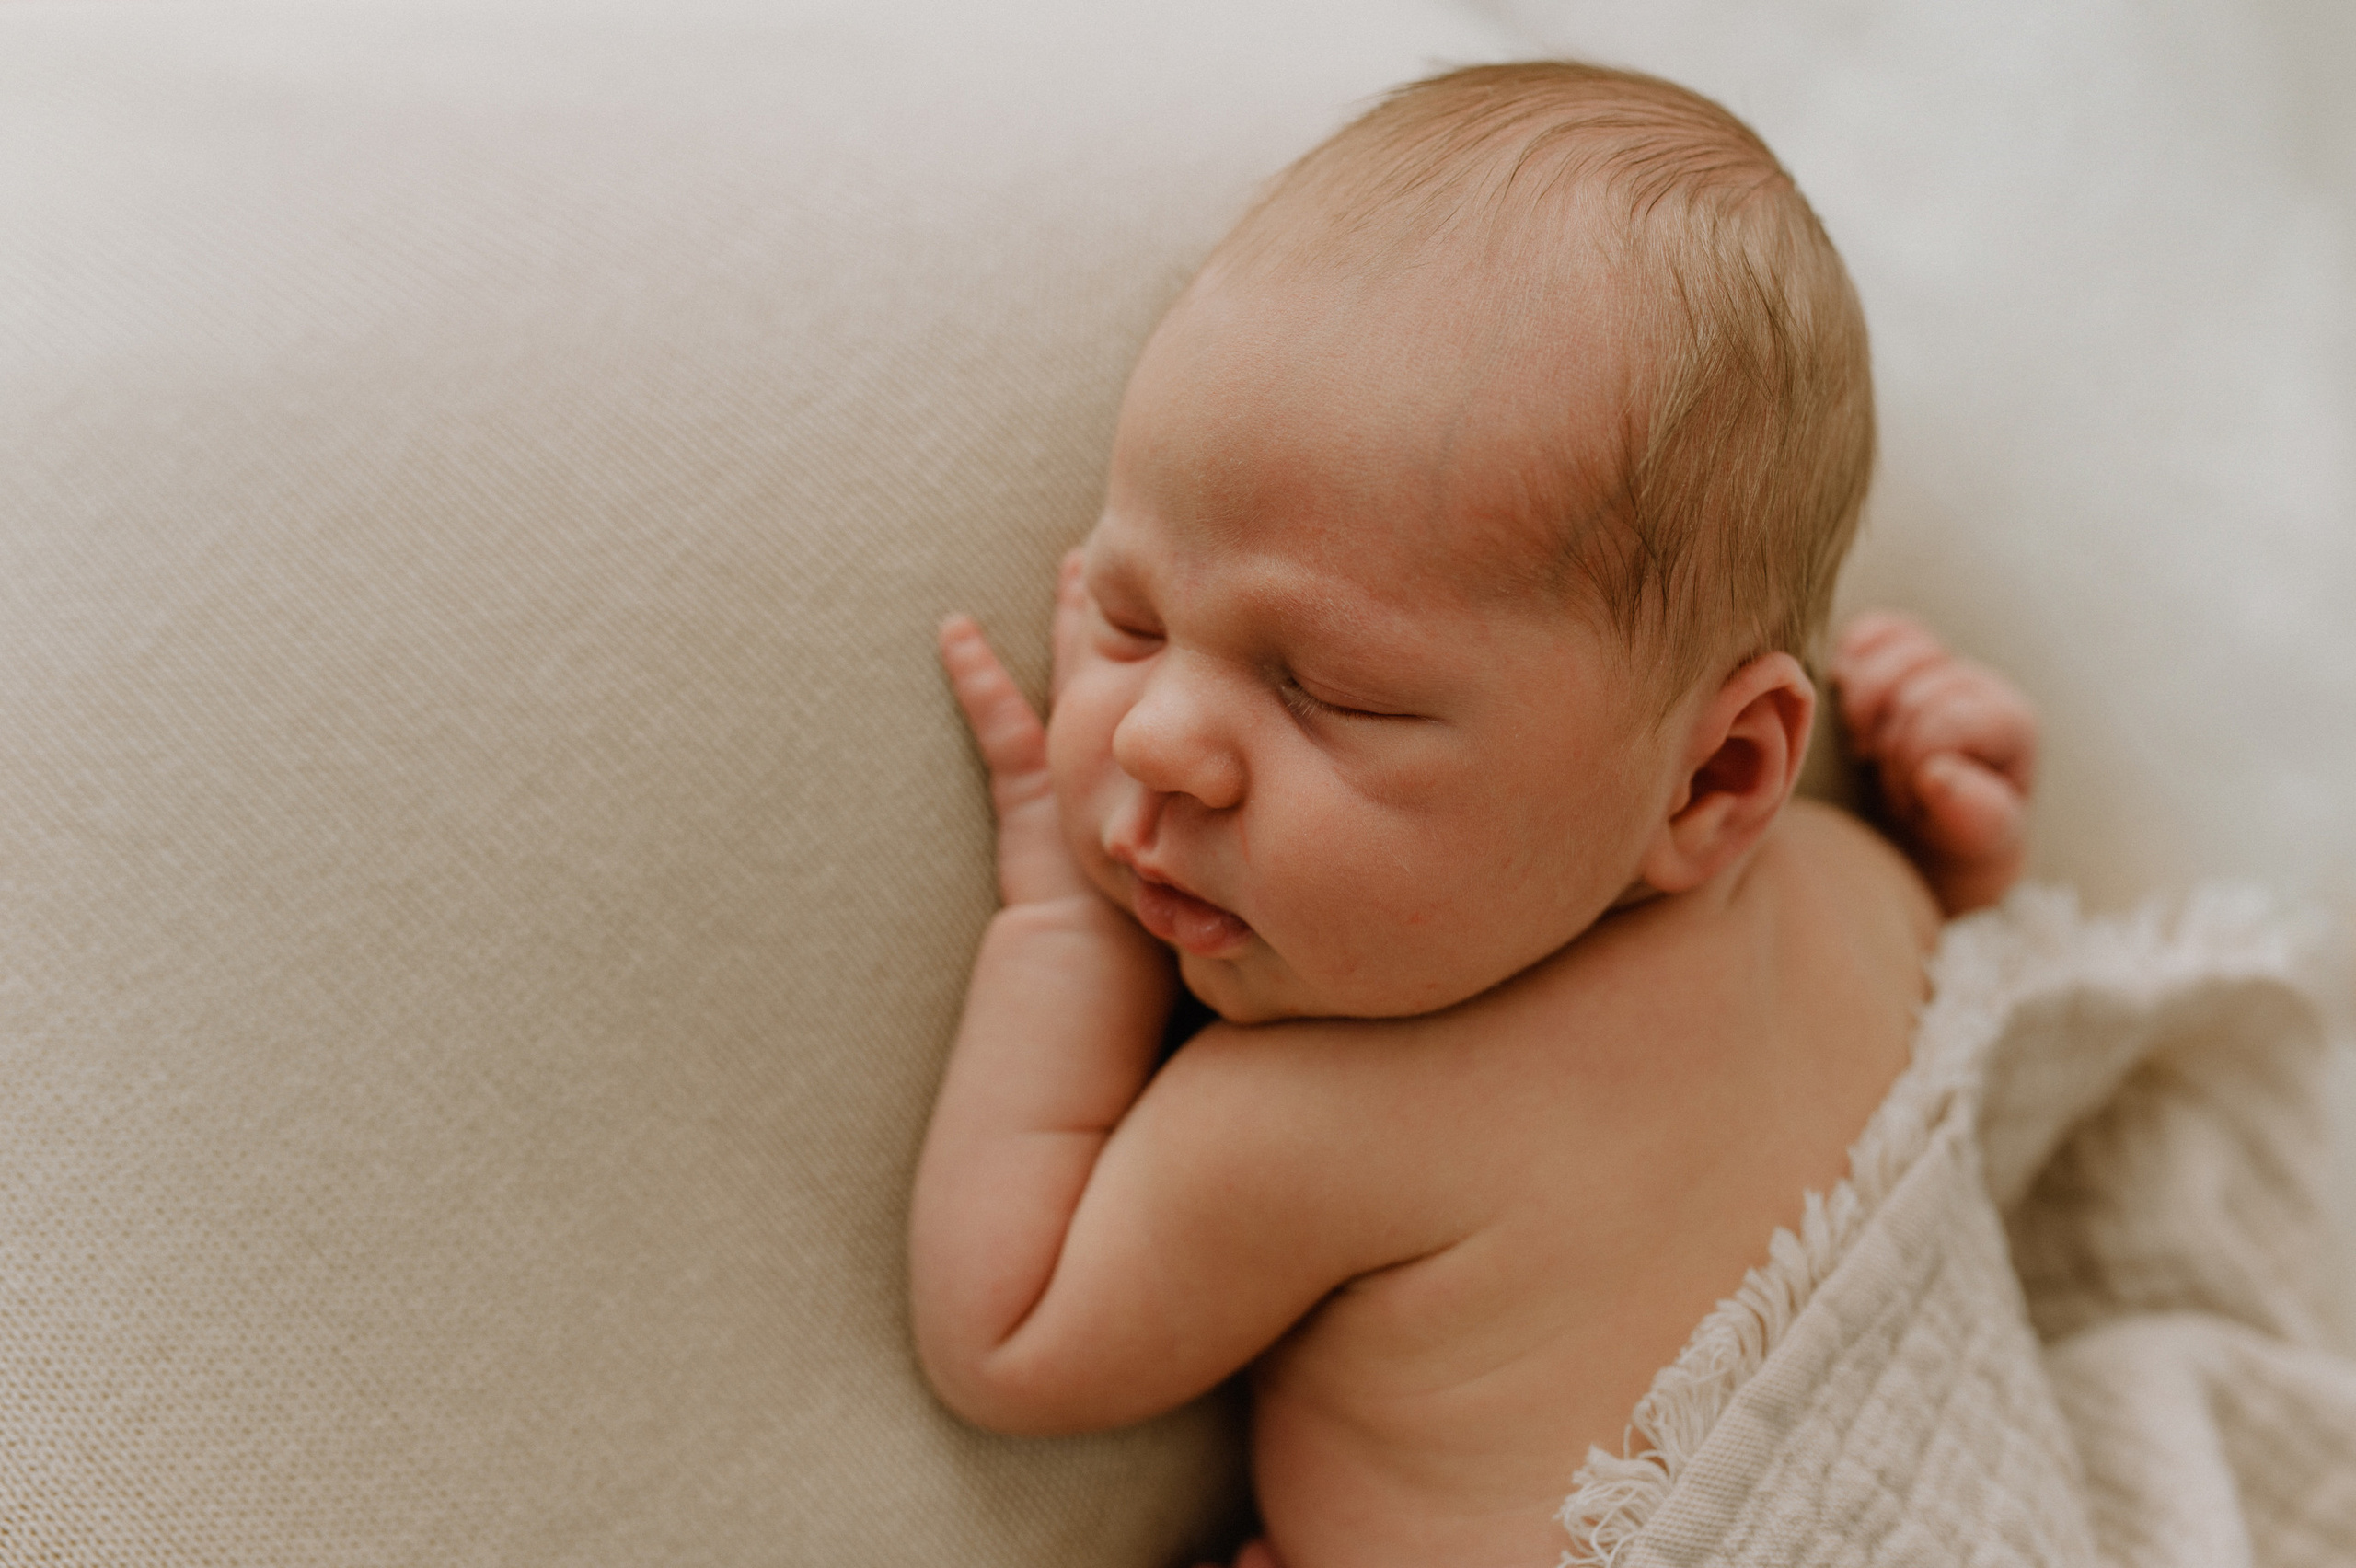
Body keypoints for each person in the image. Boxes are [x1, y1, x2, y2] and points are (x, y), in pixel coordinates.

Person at [909, 62, 2038, 1568]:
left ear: (1716, 780)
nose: (1162, 740)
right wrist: (1959, 850)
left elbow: (1009, 1329)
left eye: (1331, 694)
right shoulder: (1856, 882)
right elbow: (1947, 986)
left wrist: (1064, 927)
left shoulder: (1316, 1121)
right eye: (1125, 617)